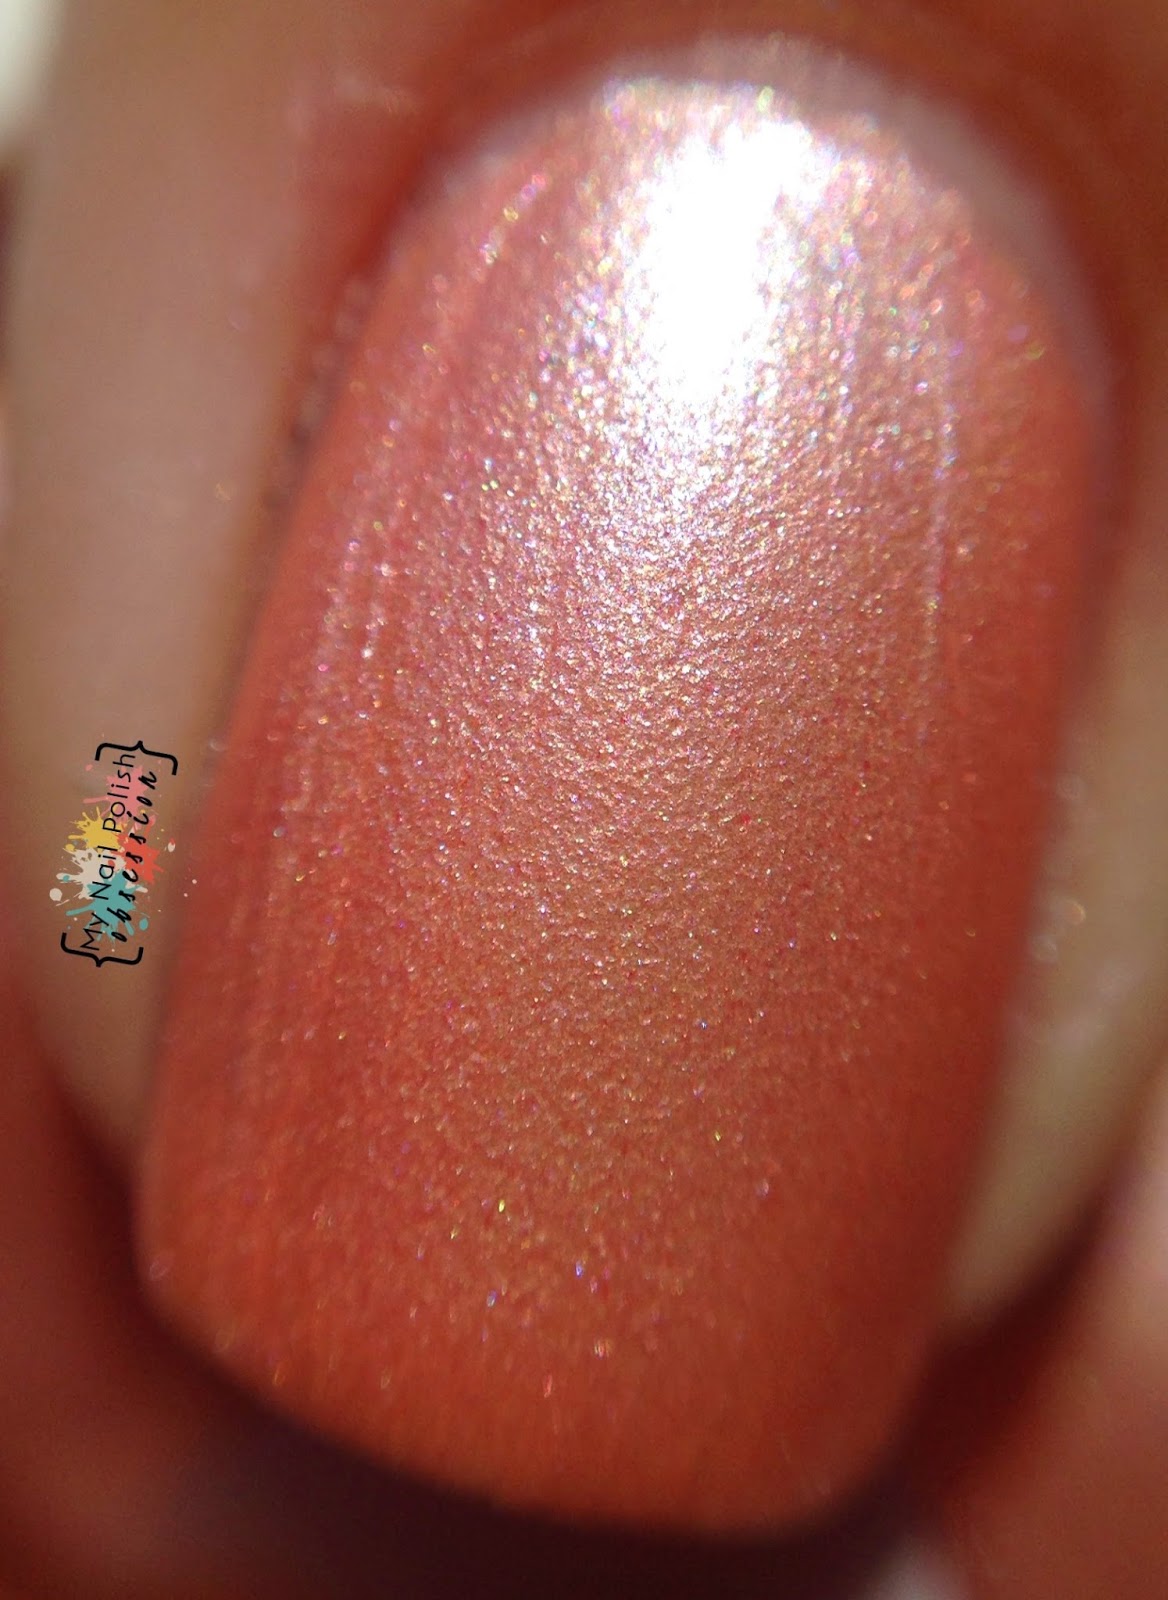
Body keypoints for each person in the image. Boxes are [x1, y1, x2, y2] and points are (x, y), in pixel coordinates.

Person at [1, 1, 1166, 1594]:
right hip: (103, 918)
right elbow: (104, 862)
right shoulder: (118, 831)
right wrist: (96, 896)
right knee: (105, 845)